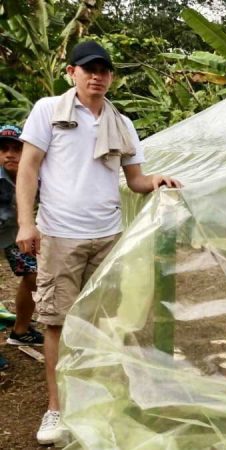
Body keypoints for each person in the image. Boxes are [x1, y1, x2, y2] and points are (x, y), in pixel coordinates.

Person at [16, 40, 182, 445]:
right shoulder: (48, 112)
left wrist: (156, 182)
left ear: (110, 76)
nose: (97, 76)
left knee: (106, 321)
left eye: (104, 70)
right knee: (55, 322)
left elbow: (136, 180)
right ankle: (56, 409)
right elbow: (29, 168)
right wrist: (26, 223)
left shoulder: (121, 124)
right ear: (71, 72)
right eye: (88, 68)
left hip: (108, 237)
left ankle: (101, 397)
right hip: (59, 235)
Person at [0, 125, 43, 351]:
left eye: (16, 149)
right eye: (4, 149)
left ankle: (21, 330)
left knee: (34, 275)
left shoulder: (35, 174)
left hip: (12, 234)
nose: (9, 154)